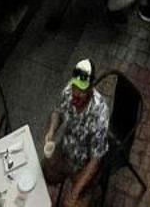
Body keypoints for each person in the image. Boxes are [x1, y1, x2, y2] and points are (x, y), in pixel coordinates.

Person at [41, 59, 110, 207]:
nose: (75, 94)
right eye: (75, 87)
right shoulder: (68, 91)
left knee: (70, 204)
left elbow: (95, 160)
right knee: (45, 170)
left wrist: (75, 192)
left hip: (85, 164)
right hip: (67, 148)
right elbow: (57, 111)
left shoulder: (100, 114)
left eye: (82, 90)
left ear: (91, 88)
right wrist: (52, 131)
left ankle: (89, 192)